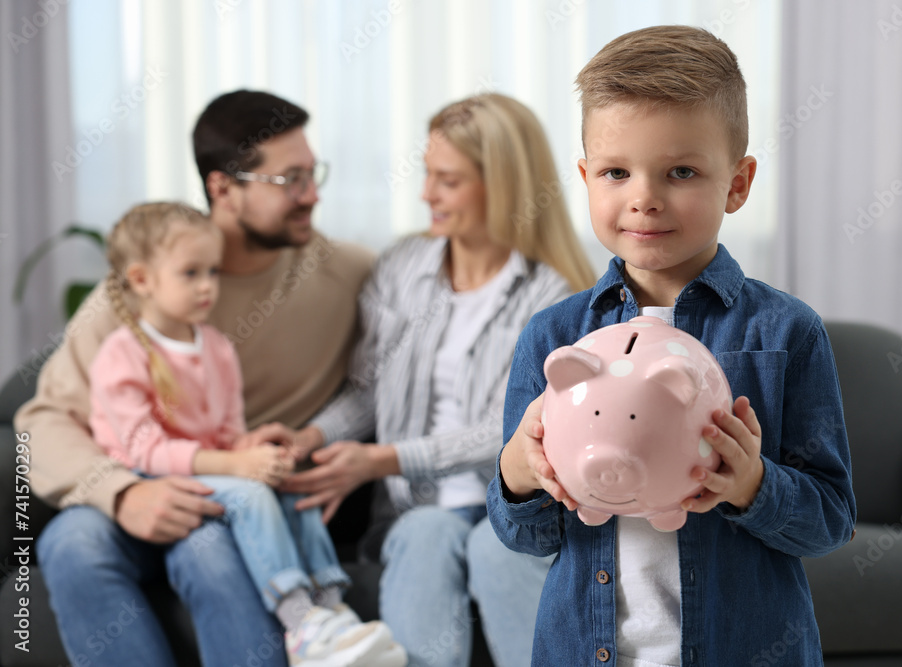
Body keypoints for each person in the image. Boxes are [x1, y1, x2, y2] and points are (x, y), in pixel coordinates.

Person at [488, 25, 856, 667]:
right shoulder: (553, 337)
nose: (644, 198)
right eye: (615, 172)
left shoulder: (787, 333)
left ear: (737, 184)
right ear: (585, 178)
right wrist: (520, 476)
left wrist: (754, 484)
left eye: (680, 171)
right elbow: (525, 536)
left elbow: (830, 520)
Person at [16, 90, 374, 667]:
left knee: (205, 545)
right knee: (71, 541)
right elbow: (40, 420)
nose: (313, 195)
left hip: (239, 494)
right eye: (290, 181)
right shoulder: (139, 296)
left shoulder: (349, 273)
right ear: (223, 188)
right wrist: (123, 492)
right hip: (143, 479)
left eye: (314, 174)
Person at [280, 92, 596, 667]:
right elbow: (367, 391)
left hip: (520, 506)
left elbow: (517, 428)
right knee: (426, 532)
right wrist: (312, 438)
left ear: (501, 186)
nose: (426, 193)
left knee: (496, 548)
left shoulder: (556, 297)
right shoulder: (402, 268)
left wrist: (387, 459)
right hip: (414, 512)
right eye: (427, 174)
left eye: (446, 180)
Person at [87, 201, 405, 667]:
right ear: (141, 280)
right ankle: (300, 624)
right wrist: (234, 465)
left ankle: (330, 611)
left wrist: (251, 450)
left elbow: (227, 432)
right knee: (251, 496)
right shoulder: (122, 353)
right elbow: (146, 450)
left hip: (211, 468)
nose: (207, 286)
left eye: (212, 272)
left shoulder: (215, 347)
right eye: (191, 273)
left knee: (291, 489)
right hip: (151, 476)